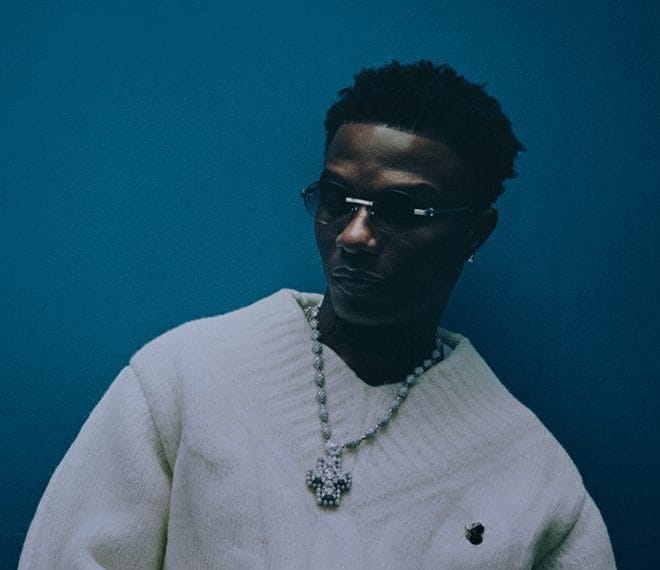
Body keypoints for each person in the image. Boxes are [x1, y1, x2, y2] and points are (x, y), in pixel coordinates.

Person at [19, 60, 616, 569]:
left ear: (475, 233)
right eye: (335, 200)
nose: (354, 235)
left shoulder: (529, 471)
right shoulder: (184, 378)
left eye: (401, 210)